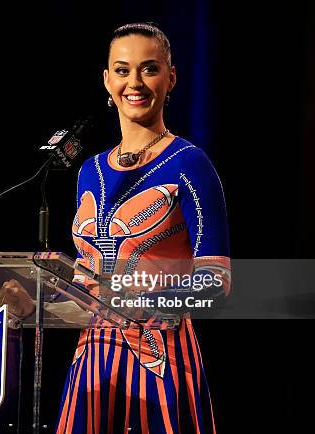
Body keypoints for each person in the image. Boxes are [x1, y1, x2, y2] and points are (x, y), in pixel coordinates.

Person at [54, 23, 231, 434]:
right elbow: (84, 279)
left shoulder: (190, 164)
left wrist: (147, 302)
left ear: (171, 78)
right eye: (122, 70)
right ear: (106, 79)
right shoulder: (89, 170)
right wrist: (29, 297)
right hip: (92, 360)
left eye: (149, 69)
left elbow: (216, 282)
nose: (134, 83)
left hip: (161, 360)